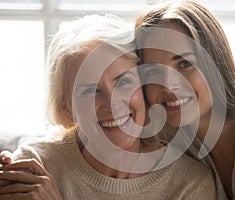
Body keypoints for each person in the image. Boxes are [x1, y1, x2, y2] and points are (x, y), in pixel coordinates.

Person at [0, 14, 215, 199]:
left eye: (124, 82)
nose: (113, 105)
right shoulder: (35, 167)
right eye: (90, 91)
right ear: (66, 108)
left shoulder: (189, 184)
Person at [134, 0, 235, 199]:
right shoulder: (180, 146)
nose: (169, 84)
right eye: (154, 71)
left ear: (216, 62)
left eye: (184, 63)